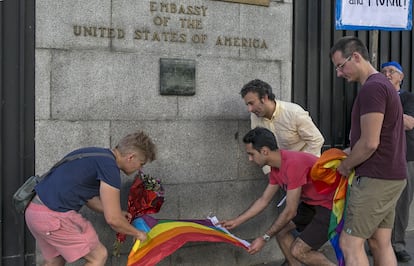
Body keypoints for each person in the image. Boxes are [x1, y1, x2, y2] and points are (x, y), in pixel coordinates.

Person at [25, 131, 157, 266]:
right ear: (131, 157)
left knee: (55, 261)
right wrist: (138, 234)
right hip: (53, 217)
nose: (140, 168)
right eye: (141, 163)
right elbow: (113, 220)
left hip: (34, 212)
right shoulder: (109, 169)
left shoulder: (95, 154)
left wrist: (115, 212)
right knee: (98, 256)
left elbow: (88, 198)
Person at [330, 36, 407, 266]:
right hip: (391, 176)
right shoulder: (382, 86)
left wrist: (345, 165)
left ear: (356, 57)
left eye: (340, 66)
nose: (339, 74)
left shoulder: (372, 88)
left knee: (350, 244)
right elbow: (376, 139)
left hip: (375, 178)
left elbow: (370, 143)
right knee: (379, 242)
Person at [220, 127, 336, 266]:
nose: (250, 159)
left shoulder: (293, 163)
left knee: (299, 251)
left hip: (331, 205)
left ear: (264, 151)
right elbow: (264, 200)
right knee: (281, 232)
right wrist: (236, 221)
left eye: (251, 154)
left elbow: (290, 211)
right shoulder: (276, 167)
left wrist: (264, 238)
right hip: (312, 203)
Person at [240, 79, 324, 170]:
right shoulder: (255, 117)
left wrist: (299, 163)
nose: (249, 109)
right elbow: (259, 146)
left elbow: (316, 140)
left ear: (264, 98)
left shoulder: (294, 112)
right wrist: (271, 173)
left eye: (251, 103)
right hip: (280, 171)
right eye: (247, 105)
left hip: (306, 169)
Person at [380, 61, 414, 262]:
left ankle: (398, 244)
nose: (387, 74)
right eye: (383, 71)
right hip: (381, 157)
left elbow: (409, 123)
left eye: (391, 71)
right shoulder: (375, 96)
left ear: (401, 77)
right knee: (380, 203)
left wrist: (384, 113)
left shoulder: (408, 97)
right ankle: (378, 242)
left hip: (406, 156)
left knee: (402, 204)